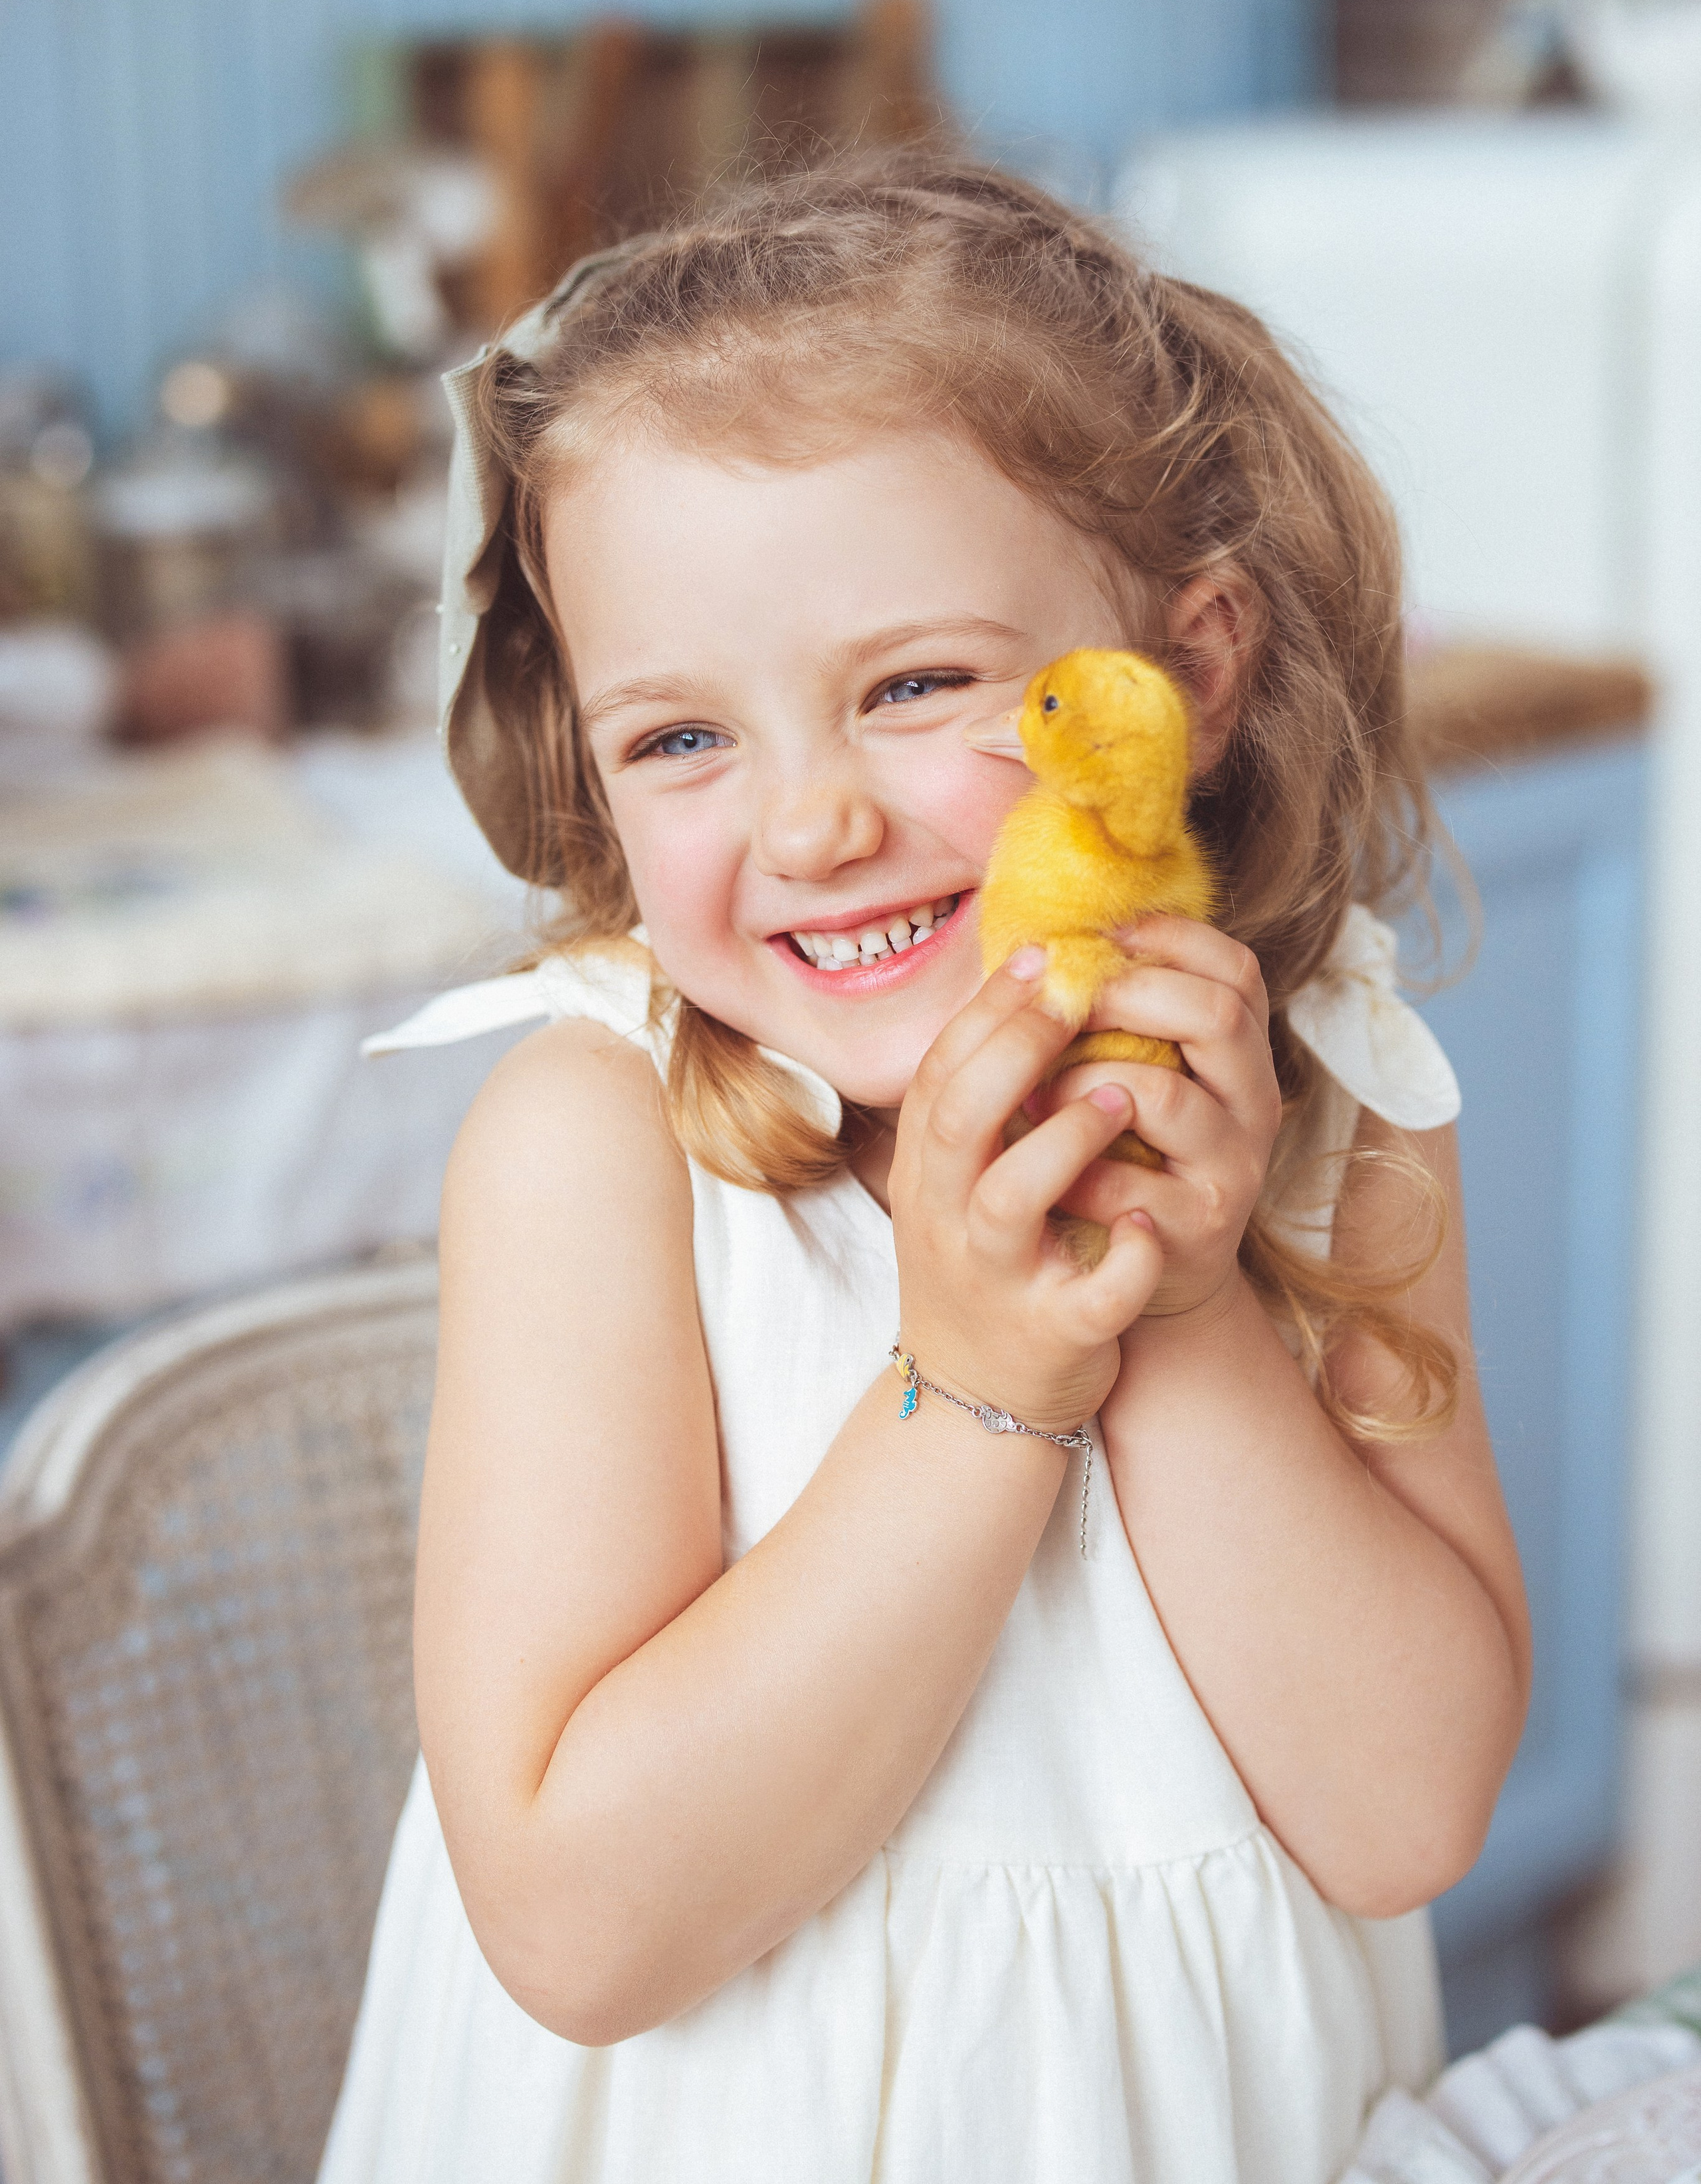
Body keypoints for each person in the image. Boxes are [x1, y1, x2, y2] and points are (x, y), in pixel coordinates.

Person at [320, 155, 1530, 2184]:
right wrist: (980, 1383)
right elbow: (585, 1924)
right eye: (680, 740)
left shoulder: (1340, 1102)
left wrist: (1185, 1289)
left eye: (912, 687)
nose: (807, 827)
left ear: (1191, 674)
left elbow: (1403, 1815)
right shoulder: (597, 1148)